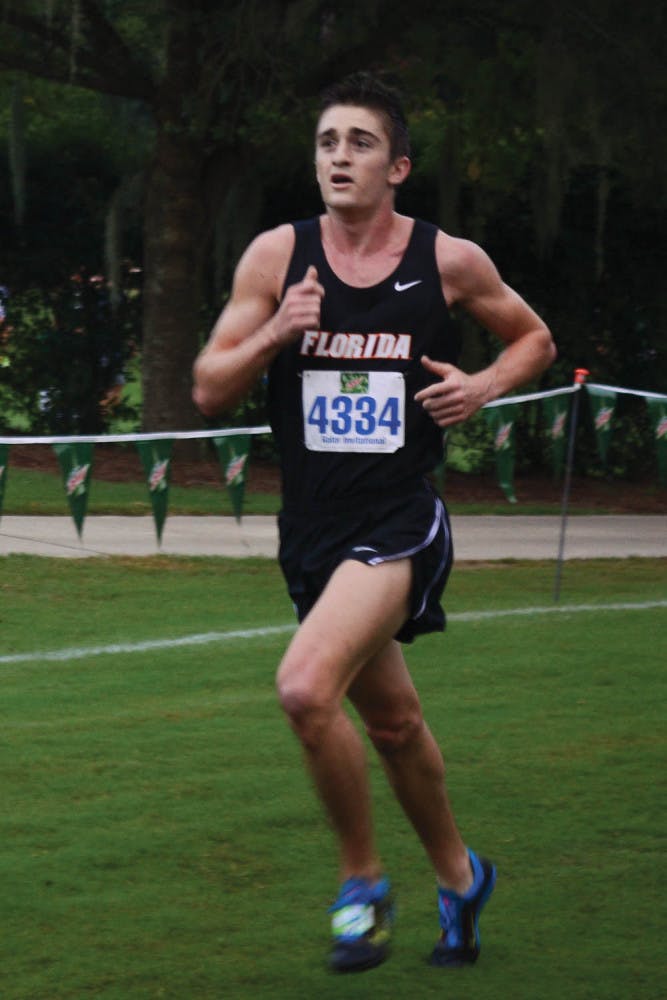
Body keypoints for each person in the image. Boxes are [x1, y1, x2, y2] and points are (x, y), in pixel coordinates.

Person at [192, 72, 556, 973]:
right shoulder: (277, 258)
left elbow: (533, 338)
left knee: (304, 688)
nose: (337, 157)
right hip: (311, 532)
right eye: (325, 143)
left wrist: (481, 387)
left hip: (399, 518)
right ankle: (462, 876)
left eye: (358, 142)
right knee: (391, 725)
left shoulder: (446, 260)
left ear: (395, 166)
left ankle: (361, 883)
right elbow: (207, 386)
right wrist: (279, 333)